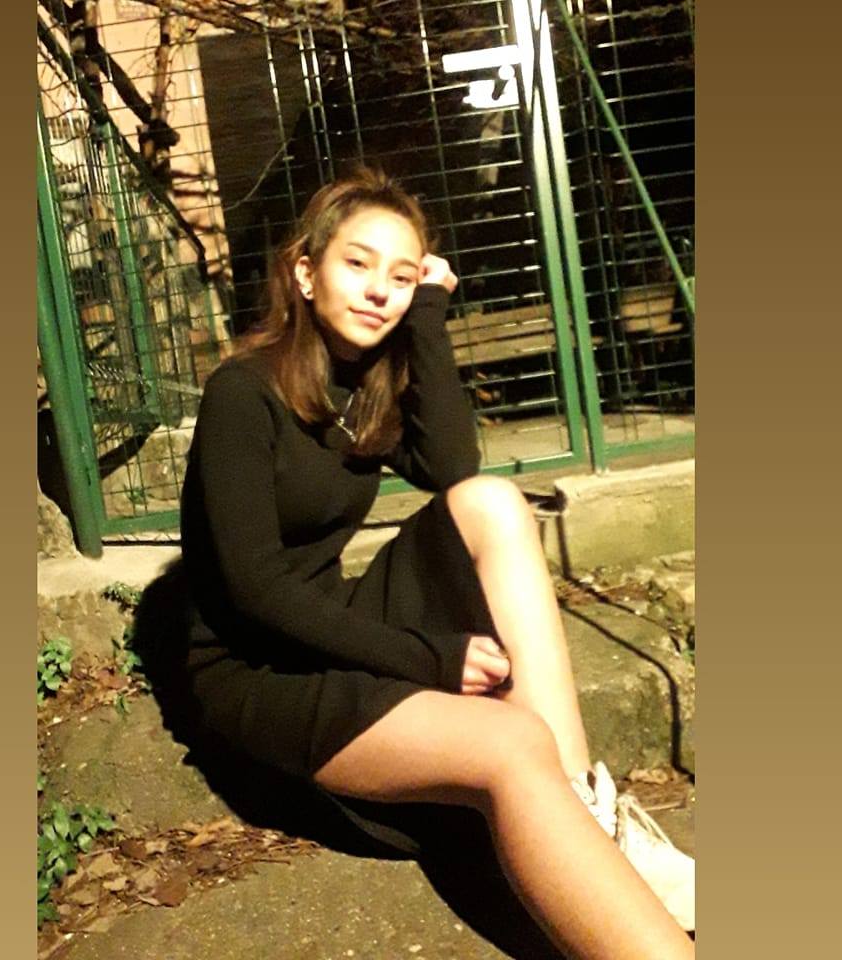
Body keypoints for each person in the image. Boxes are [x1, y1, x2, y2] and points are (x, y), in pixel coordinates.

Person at [180, 168, 695, 959]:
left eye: (400, 275)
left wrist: (428, 315)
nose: (378, 290)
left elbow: (453, 467)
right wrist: (429, 658)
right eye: (358, 264)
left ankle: (589, 825)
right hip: (259, 670)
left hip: (334, 620)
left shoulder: (362, 387)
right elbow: (256, 592)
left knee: (492, 501)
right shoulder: (241, 395)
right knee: (511, 742)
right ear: (305, 272)